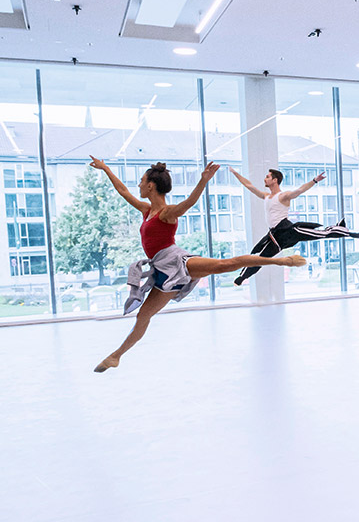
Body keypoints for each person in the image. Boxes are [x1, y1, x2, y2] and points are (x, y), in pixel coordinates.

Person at [89, 158, 305, 372]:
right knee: (143, 316)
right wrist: (106, 168)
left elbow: (189, 203)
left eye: (141, 181)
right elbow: (123, 191)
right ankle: (116, 356)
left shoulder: (167, 213)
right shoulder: (147, 210)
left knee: (223, 264)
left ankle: (281, 260)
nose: (138, 185)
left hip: (176, 262)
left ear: (150, 185)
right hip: (161, 271)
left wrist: (203, 181)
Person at [228, 167, 359, 285]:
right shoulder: (266, 196)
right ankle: (243, 277)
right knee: (261, 256)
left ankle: (347, 231)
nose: (265, 179)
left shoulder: (283, 196)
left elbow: (300, 190)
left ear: (274, 180)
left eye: (267, 177)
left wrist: (314, 181)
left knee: (320, 234)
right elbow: (249, 185)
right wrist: (235, 173)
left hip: (289, 231)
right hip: (275, 236)